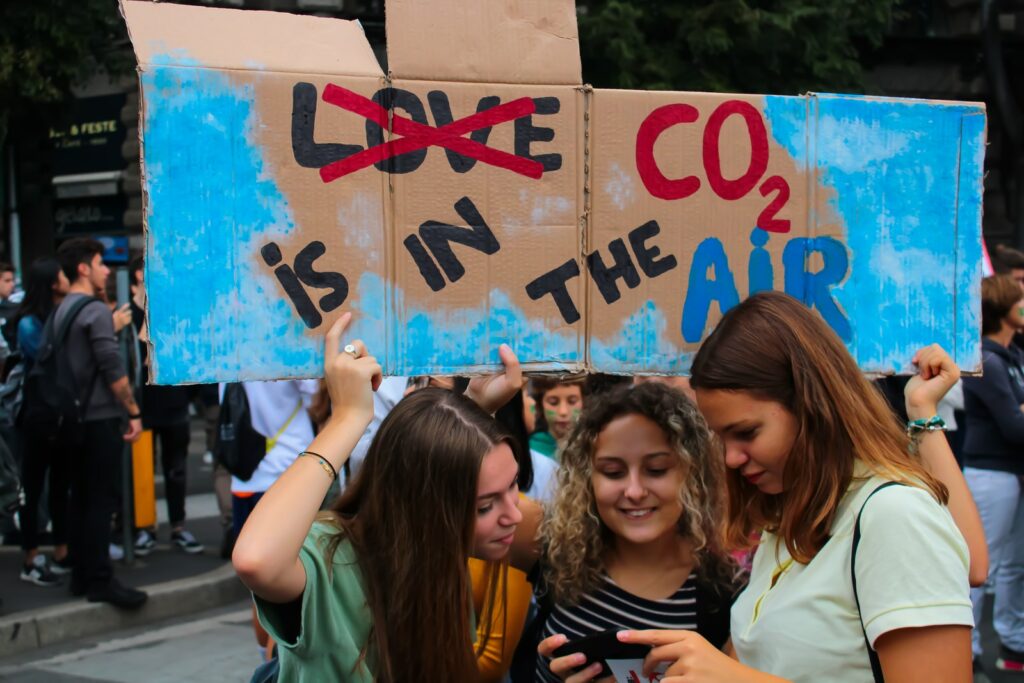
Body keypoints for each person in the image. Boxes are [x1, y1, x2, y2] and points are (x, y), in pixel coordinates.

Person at [611, 291, 987, 683]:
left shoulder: (893, 515)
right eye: (721, 437)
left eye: (746, 432)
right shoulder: (789, 517)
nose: (730, 459)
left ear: (813, 405)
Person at [232, 313, 541, 681]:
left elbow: (450, 474)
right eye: (485, 507)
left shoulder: (436, 551)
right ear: (421, 504)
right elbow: (256, 561)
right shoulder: (336, 558)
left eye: (513, 488)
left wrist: (472, 412)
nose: (514, 515)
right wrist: (347, 417)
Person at [535, 382, 738, 682]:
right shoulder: (555, 549)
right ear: (586, 478)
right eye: (613, 472)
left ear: (692, 473)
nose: (634, 491)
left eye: (656, 469)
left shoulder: (725, 593)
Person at [55, 238, 146, 608]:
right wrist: (134, 412)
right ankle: (100, 580)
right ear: (83, 268)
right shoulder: (93, 311)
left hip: (73, 418)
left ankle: (82, 574)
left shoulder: (64, 309)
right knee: (100, 501)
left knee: (81, 499)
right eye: (100, 263)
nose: (107, 270)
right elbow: (112, 368)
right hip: (99, 417)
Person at [961, 274, 1024, 672]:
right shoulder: (986, 360)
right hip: (990, 475)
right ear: (1006, 309)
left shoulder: (1011, 355)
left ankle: (1013, 642)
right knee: (982, 567)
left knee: (1013, 564)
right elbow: (1014, 426)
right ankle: (965, 652)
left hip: (1010, 474)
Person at [127, 256, 203, 555]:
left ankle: (178, 527)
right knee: (142, 469)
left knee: (176, 469)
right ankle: (143, 528)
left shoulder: (168, 309)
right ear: (138, 274)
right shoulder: (124, 313)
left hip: (172, 403)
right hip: (141, 405)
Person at [14, 257, 71, 586]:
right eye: (61, 274)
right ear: (51, 283)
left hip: (60, 412)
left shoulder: (57, 314)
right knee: (33, 486)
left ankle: (62, 551)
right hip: (37, 414)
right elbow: (48, 357)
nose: (65, 278)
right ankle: (30, 556)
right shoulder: (28, 323)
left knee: (61, 485)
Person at [529, 378, 584, 460]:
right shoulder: (530, 451)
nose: (563, 411)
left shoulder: (594, 447)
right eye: (553, 402)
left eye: (572, 401)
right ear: (540, 405)